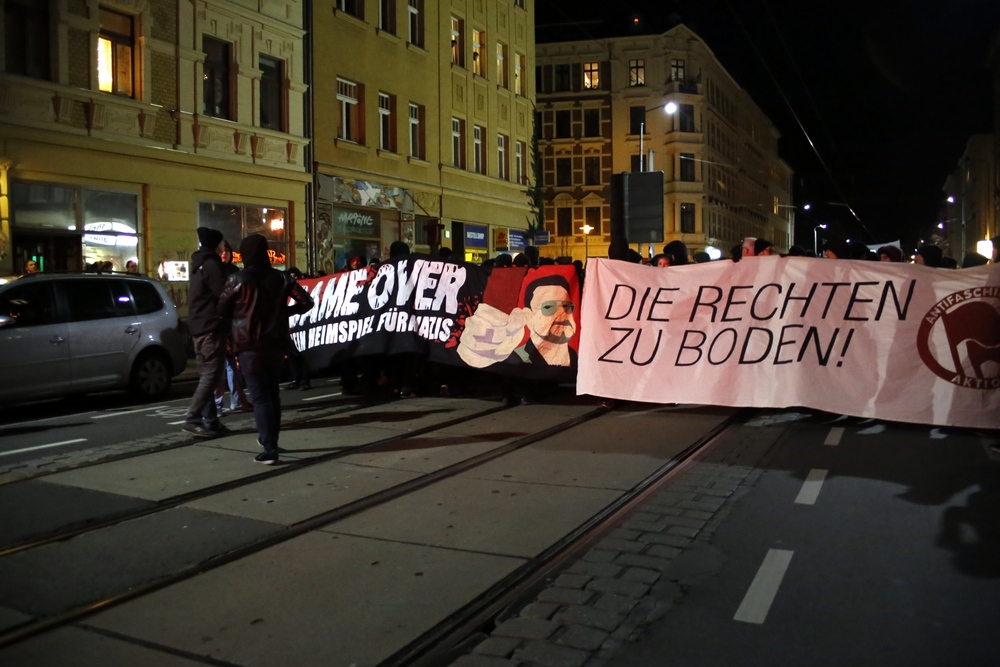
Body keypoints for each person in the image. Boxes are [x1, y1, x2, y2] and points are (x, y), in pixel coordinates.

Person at [219, 234, 314, 464]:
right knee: (272, 394)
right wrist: (283, 313)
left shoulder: (236, 279)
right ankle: (271, 439)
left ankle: (269, 446)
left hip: (248, 345)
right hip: (275, 343)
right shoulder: (281, 278)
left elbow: (221, 310)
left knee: (260, 397)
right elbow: (306, 302)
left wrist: (229, 336)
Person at [182, 227, 229, 438]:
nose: (224, 246)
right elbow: (224, 295)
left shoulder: (199, 264)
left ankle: (211, 421)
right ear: (216, 244)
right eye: (222, 242)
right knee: (211, 376)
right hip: (211, 327)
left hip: (199, 327)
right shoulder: (212, 265)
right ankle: (193, 419)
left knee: (207, 376)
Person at [215, 242, 252, 412]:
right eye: (222, 251)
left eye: (227, 251)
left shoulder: (235, 271)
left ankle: (236, 400)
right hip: (217, 324)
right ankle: (217, 404)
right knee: (218, 366)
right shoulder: (213, 271)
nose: (224, 254)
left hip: (232, 323)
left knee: (232, 364)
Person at [282, 266, 312, 391]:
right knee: (292, 356)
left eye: (295, 276)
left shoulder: (303, 288)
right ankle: (295, 379)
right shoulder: (284, 290)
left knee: (302, 355)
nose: (293, 278)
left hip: (303, 325)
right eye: (291, 276)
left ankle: (305, 381)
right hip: (290, 327)